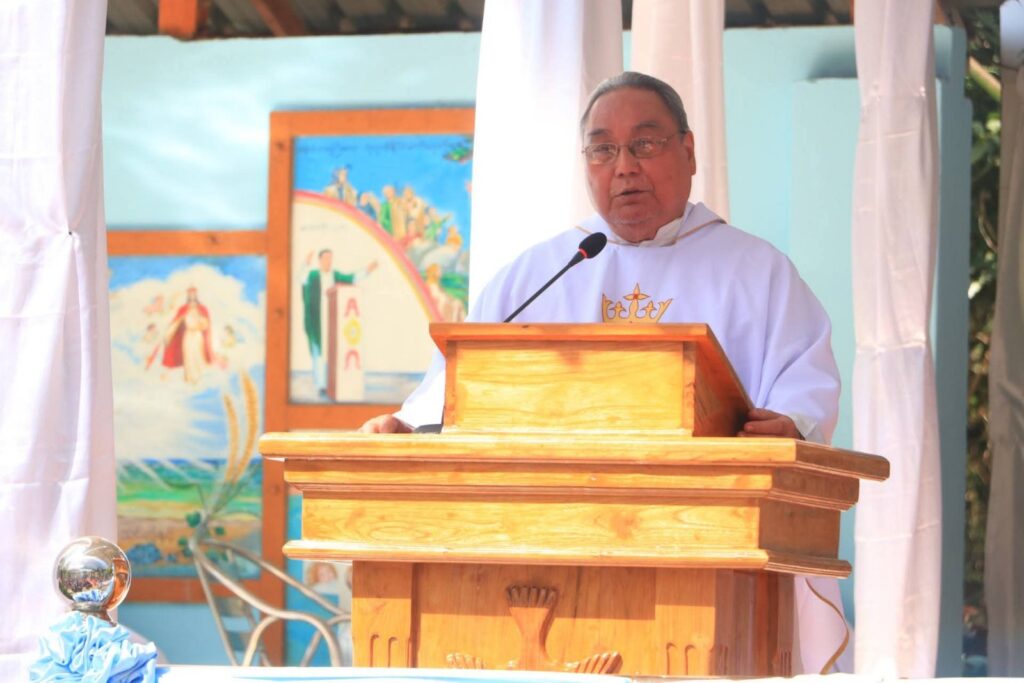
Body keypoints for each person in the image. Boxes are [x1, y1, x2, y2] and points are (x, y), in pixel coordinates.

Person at [359, 72, 849, 673]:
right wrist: (410, 426)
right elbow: (459, 385)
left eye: (644, 144)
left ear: (689, 152)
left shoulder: (758, 273)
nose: (624, 167)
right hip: (535, 547)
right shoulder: (540, 273)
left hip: (706, 549)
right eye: (603, 149)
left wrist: (792, 426)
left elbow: (804, 390)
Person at [301, 249, 377, 398]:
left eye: (330, 258)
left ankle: (332, 384)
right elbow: (302, 280)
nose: (328, 261)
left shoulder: (335, 275)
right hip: (316, 320)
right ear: (320, 260)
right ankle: (321, 385)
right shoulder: (313, 275)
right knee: (318, 353)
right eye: (325, 258)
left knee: (332, 352)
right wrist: (305, 264)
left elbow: (352, 278)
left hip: (332, 320)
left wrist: (367, 270)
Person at [161, 286, 213, 383]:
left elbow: (206, 324)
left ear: (196, 295)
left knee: (198, 355)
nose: (192, 296)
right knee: (188, 355)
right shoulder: (184, 309)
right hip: (188, 336)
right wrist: (168, 334)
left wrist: (198, 326)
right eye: (190, 294)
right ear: (188, 296)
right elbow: (176, 323)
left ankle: (199, 378)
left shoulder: (201, 308)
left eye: (193, 294)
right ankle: (190, 378)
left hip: (197, 336)